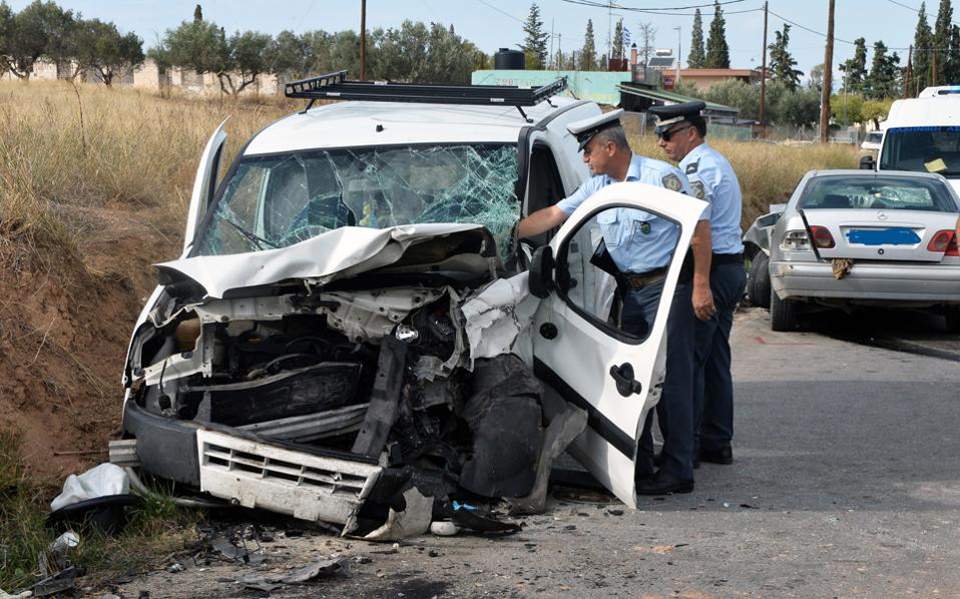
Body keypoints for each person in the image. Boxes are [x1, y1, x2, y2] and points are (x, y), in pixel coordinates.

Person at [517, 109, 715, 495]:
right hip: (631, 291)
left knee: (671, 379)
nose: (586, 159)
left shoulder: (661, 178)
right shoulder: (599, 188)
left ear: (610, 147)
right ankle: (639, 464)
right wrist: (505, 231)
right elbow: (555, 214)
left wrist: (701, 285)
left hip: (665, 288)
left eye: (588, 151)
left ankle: (678, 470)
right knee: (637, 378)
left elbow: (699, 230)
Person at [651, 101, 746, 466]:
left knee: (687, 362)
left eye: (667, 134)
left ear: (690, 133)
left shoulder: (697, 169)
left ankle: (685, 450)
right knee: (714, 359)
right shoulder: (714, 161)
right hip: (729, 267)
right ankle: (716, 441)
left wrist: (700, 283)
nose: (661, 143)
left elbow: (698, 229)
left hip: (711, 270)